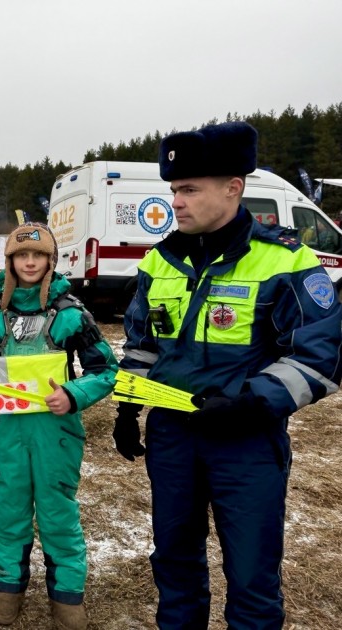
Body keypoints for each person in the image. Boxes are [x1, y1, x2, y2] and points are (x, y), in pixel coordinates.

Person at [113, 121, 342, 629]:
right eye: (174, 190)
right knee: (173, 563)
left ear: (233, 188)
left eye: (190, 189)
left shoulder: (287, 261)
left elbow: (319, 356)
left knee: (252, 578)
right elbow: (143, 343)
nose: (178, 201)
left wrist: (252, 403)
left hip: (246, 442)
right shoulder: (160, 261)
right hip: (173, 439)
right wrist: (129, 405)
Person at [0, 222, 118, 629]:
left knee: (57, 511)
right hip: (7, 430)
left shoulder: (70, 313)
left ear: (51, 261)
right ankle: (7, 586)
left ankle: (67, 594)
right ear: (10, 261)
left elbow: (105, 369)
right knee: (8, 508)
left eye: (38, 255)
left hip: (56, 431)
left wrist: (73, 394)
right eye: (20, 255)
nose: (29, 262)